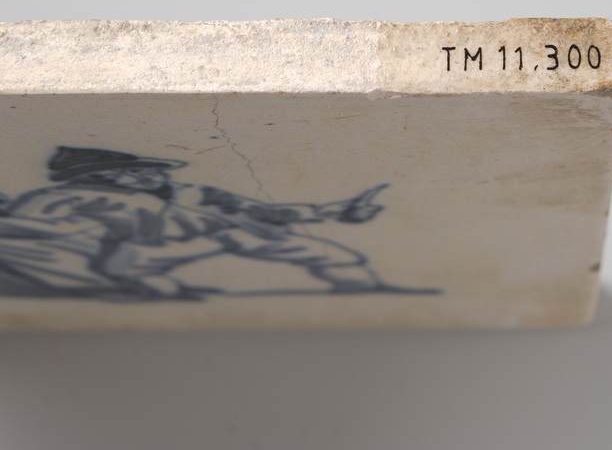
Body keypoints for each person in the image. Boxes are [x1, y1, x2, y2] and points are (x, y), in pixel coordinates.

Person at [0, 146, 400, 300]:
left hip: (161, 252)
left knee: (244, 233)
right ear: (101, 176)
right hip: (98, 261)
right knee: (222, 240)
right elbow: (40, 239)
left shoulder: (189, 193)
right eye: (131, 172)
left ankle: (358, 282)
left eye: (150, 169)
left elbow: (262, 213)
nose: (149, 175)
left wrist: (333, 212)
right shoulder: (60, 199)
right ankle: (136, 285)